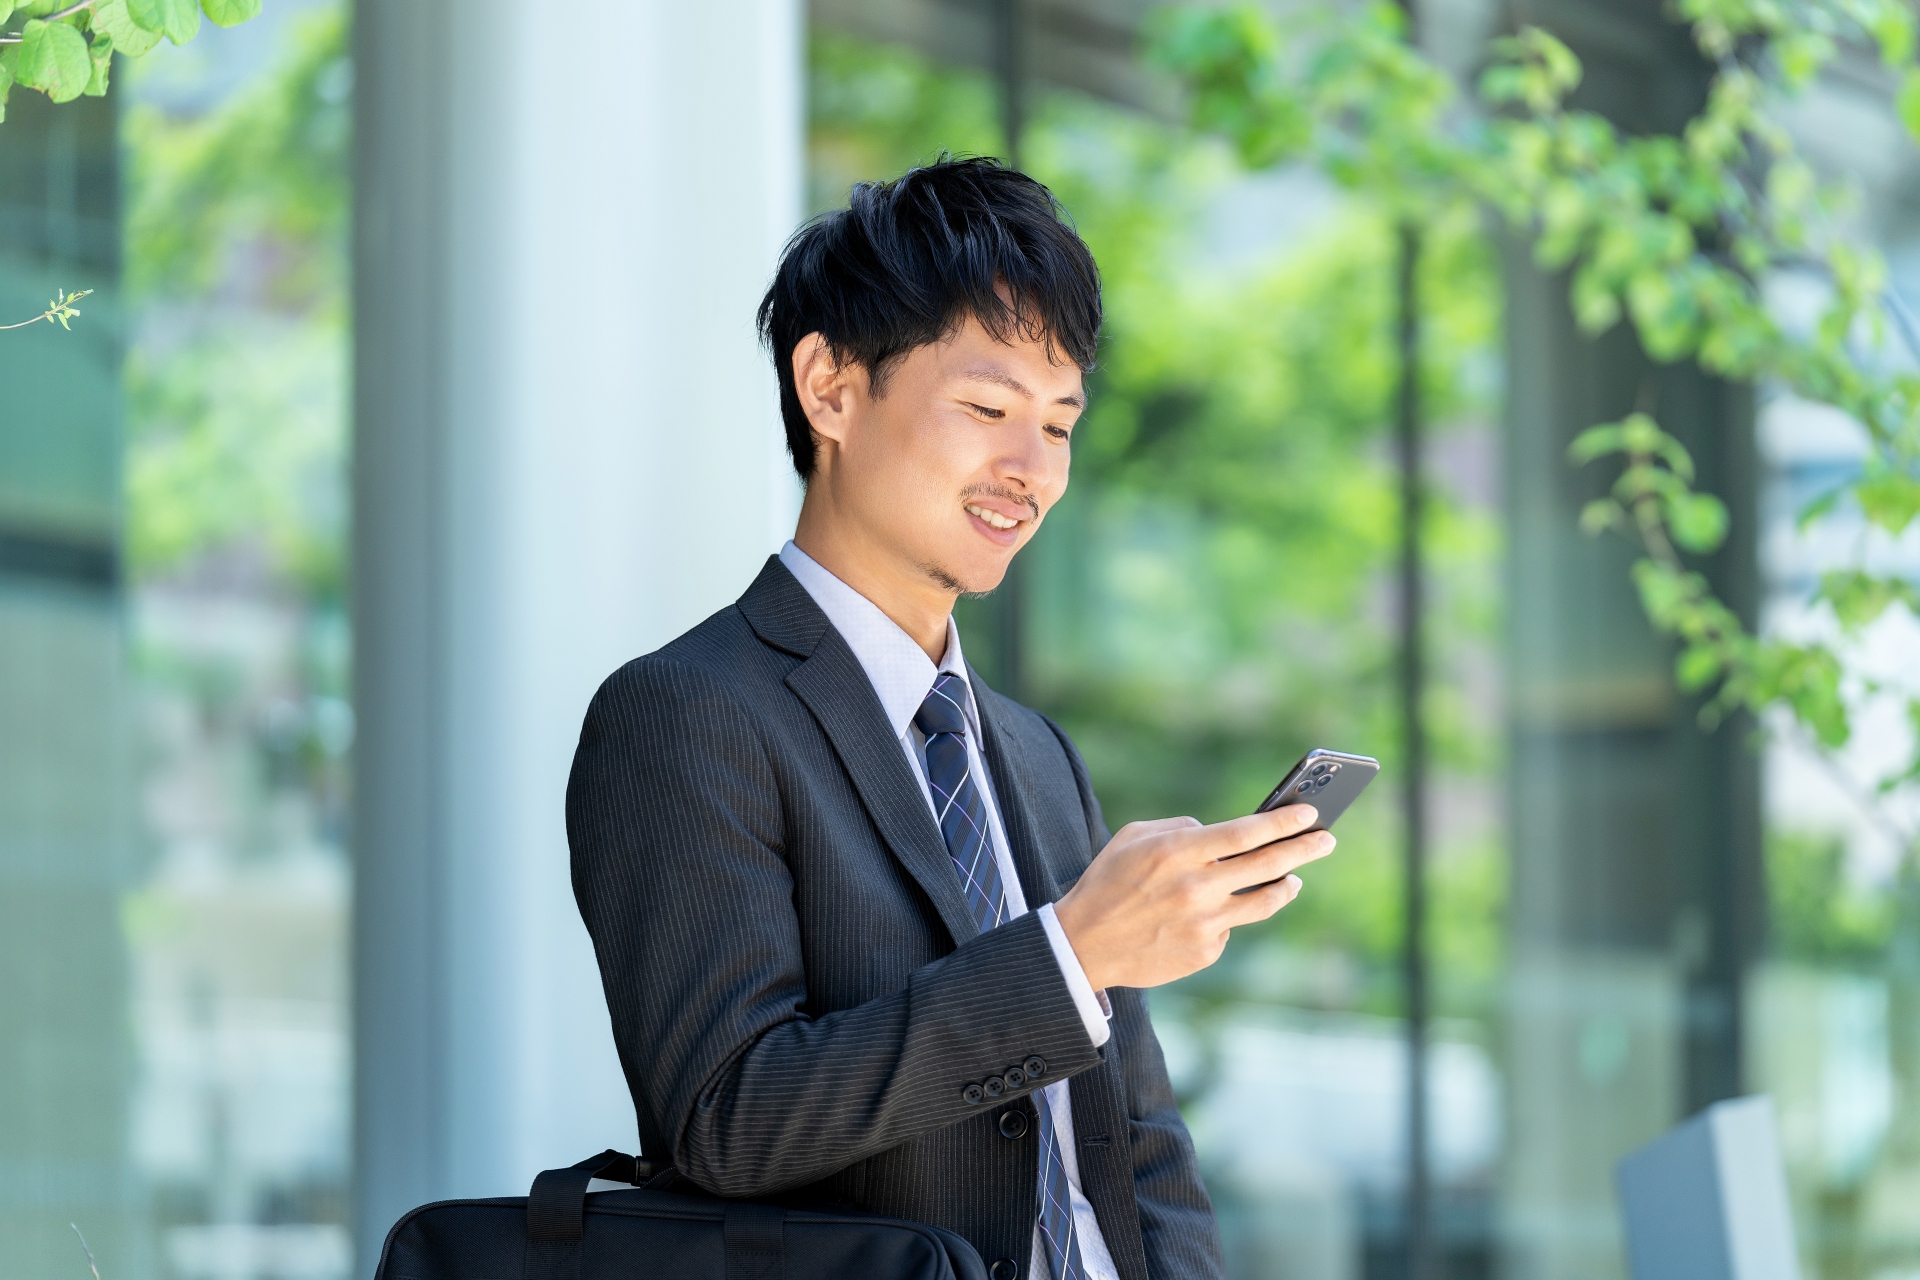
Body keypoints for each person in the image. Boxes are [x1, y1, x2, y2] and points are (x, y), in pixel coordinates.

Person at [566, 157, 1333, 1280]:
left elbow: (1139, 1149)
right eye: (987, 408)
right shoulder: (686, 712)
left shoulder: (1032, 752)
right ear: (830, 388)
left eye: (1061, 425)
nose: (1031, 470)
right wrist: (1068, 956)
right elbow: (727, 1116)